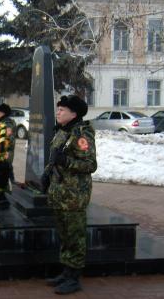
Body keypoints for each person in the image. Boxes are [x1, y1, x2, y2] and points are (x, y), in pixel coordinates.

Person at [41, 95, 97, 295]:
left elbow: (90, 165)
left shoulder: (82, 134)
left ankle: (74, 278)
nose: (58, 113)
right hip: (60, 193)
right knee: (65, 236)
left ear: (74, 114)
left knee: (75, 237)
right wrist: (47, 173)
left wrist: (66, 162)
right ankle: (66, 272)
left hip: (74, 196)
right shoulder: (63, 132)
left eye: (62, 110)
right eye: (58, 110)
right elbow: (55, 157)